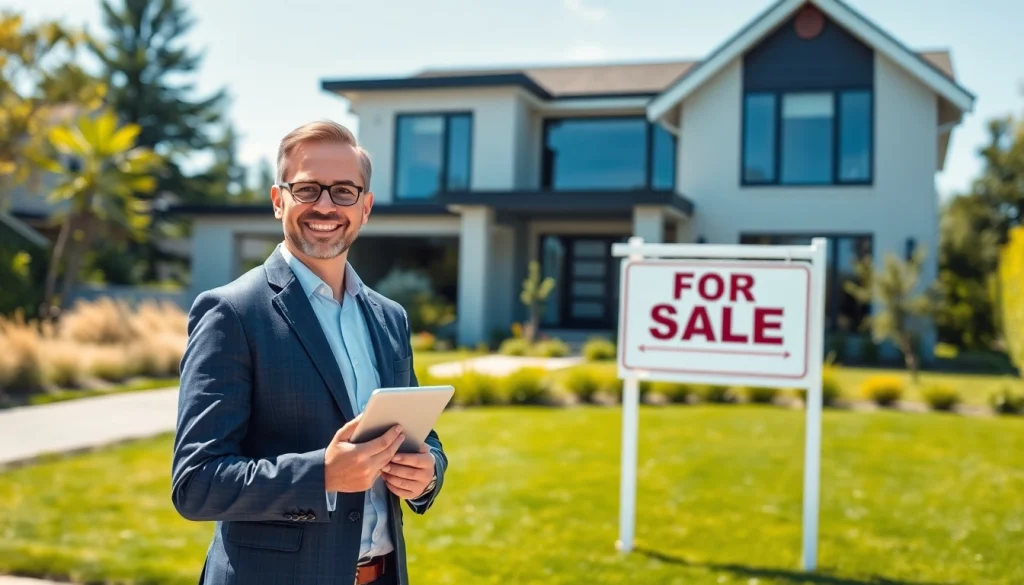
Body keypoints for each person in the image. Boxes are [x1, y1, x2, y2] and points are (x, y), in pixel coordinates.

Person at [171, 120, 447, 585]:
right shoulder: (232, 313)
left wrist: (428, 474)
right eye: (307, 189)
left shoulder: (389, 317)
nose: (325, 205)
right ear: (279, 200)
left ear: (366, 208)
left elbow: (422, 437)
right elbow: (197, 483)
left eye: (344, 191)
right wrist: (322, 474)